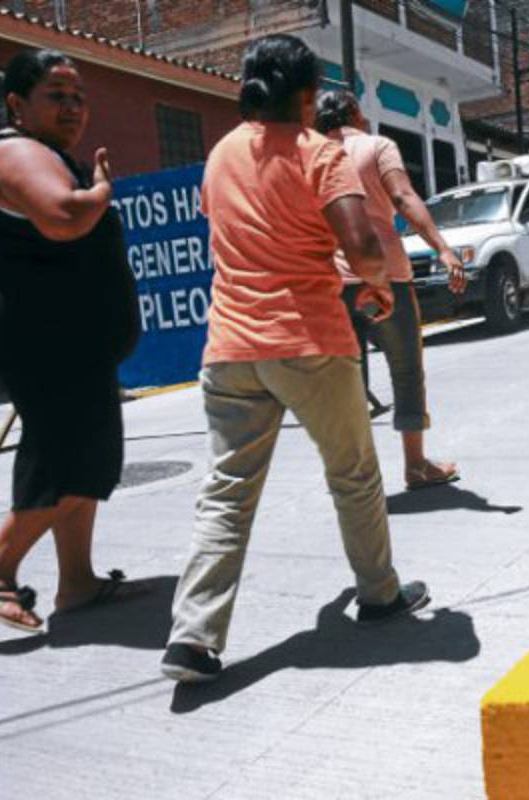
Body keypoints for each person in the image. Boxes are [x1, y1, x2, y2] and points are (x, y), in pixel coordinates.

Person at [161, 34, 427, 683]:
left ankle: (192, 640)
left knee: (226, 491)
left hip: (229, 347)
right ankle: (380, 595)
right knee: (353, 474)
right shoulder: (320, 153)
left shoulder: (219, 155)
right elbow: (363, 243)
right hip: (307, 339)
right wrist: (374, 284)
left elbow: (234, 232)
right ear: (308, 96)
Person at [0, 50, 141, 634]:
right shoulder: (14, 151)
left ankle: (78, 583)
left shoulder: (45, 154)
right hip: (38, 333)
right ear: (17, 103)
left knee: (77, 450)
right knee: (73, 454)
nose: (72, 106)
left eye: (78, 96)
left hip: (64, 334)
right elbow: (65, 216)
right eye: (56, 94)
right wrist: (102, 190)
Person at [316, 90, 465, 491]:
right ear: (355, 114)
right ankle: (415, 466)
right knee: (406, 370)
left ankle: (354, 477)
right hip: (388, 277)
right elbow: (402, 196)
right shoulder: (378, 146)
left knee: (346, 382)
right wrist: (443, 247)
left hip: (333, 284)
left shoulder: (309, 155)